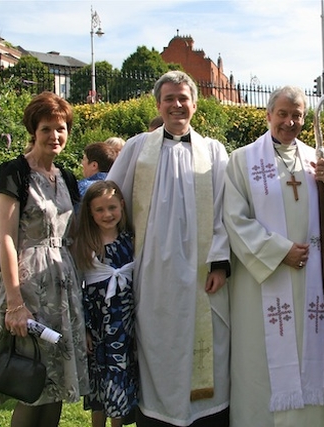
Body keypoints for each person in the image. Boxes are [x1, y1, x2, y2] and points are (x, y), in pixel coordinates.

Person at [106, 70, 231, 427]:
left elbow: (227, 210)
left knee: (209, 346)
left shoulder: (213, 151)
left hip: (203, 272)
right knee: (159, 344)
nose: (177, 105)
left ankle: (208, 416)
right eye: (169, 99)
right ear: (158, 105)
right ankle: (159, 416)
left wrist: (220, 264)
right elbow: (112, 200)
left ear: (194, 103)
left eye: (183, 98)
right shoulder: (137, 148)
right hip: (154, 271)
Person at [223, 86, 324, 427]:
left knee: (311, 350)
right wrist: (280, 252)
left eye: (297, 115)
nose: (290, 121)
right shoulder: (242, 160)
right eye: (283, 113)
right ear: (268, 115)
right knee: (261, 358)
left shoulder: (313, 159)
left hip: (309, 279)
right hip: (263, 278)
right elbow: (234, 220)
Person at [0, 92, 89, 427]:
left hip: (64, 286)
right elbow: (8, 239)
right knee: (33, 379)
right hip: (29, 288)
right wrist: (15, 303)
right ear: (33, 130)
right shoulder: (15, 173)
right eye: (47, 129)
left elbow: (73, 237)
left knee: (56, 382)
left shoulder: (67, 178)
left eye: (61, 128)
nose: (55, 136)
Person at [72, 180, 138, 427]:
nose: (107, 214)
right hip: (99, 324)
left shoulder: (130, 241)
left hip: (125, 322)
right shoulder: (86, 244)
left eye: (112, 207)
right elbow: (80, 289)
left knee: (120, 375)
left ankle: (118, 424)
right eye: (99, 209)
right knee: (100, 379)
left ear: (122, 206)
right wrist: (86, 328)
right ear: (89, 211)